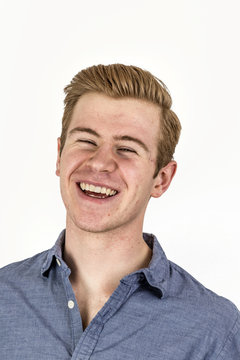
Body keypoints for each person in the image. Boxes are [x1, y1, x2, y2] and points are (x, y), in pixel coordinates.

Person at [0, 64, 239, 360]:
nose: (99, 163)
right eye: (86, 140)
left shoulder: (214, 330)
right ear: (59, 156)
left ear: (161, 179)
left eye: (127, 148)